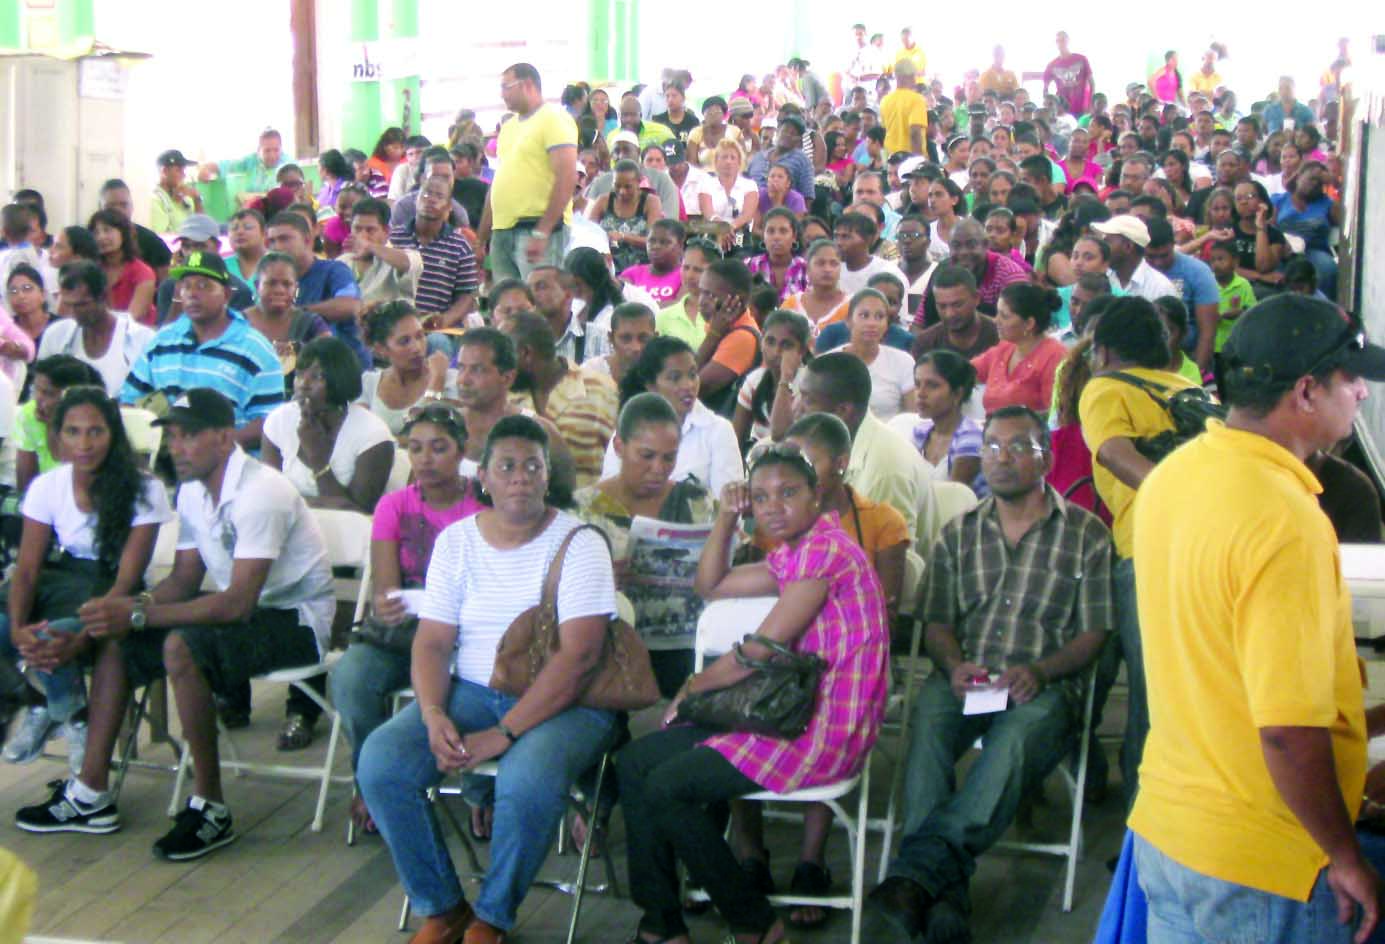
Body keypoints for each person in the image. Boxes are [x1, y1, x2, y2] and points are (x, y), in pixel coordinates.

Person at [1123, 296, 1383, 942]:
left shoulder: (1173, 476)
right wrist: (1345, 855)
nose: (1361, 393)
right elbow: (1287, 732)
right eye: (1350, 378)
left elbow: (1216, 670)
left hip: (1169, 831)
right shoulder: (1285, 517)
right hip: (1263, 863)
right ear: (1305, 391)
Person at [15, 388, 334, 863]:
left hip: (297, 619)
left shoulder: (261, 493)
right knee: (121, 640)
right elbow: (184, 579)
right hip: (243, 610)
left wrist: (138, 613)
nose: (175, 447)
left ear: (225, 438)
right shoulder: (191, 490)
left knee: (181, 645)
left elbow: (238, 604)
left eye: (189, 436)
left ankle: (210, 807)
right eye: (172, 437)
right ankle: (91, 792)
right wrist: (117, 614)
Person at [358, 414, 620, 944]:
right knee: (382, 762)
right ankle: (442, 907)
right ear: (484, 478)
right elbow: (433, 641)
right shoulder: (457, 541)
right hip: (473, 692)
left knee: (525, 779)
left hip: (568, 703)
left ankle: (493, 917)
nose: (520, 477)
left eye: (532, 466)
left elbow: (580, 657)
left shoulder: (579, 542)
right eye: (506, 466)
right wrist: (433, 713)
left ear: (548, 476)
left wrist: (503, 733)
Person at [618, 438, 889, 944]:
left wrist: (692, 687)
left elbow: (761, 650)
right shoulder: (796, 553)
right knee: (634, 764)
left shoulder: (826, 550)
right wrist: (726, 518)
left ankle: (755, 923)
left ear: (816, 495)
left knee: (667, 787)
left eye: (788, 493)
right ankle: (661, 924)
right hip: (784, 710)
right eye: (760, 497)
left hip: (821, 727)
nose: (773, 507)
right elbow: (711, 585)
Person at [864, 404, 1113, 943]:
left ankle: (915, 874)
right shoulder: (958, 534)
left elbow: (1094, 634)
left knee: (1014, 740)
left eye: (1019, 446)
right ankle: (942, 898)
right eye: (992, 446)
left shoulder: (1086, 535)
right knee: (930, 721)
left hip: (1043, 686)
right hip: (968, 679)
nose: (1001, 458)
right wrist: (954, 665)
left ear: (1045, 458)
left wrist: (1040, 671)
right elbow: (936, 623)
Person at [330, 404, 485, 835]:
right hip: (404, 631)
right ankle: (371, 779)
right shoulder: (394, 506)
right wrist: (385, 604)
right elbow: (386, 589)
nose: (425, 459)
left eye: (438, 448)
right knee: (350, 679)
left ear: (461, 451)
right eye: (415, 449)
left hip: (466, 632)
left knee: (480, 681)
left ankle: (482, 788)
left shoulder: (481, 504)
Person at [0, 389, 172, 770]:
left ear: (113, 434)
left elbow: (126, 579)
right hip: (61, 578)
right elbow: (26, 571)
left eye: (95, 431)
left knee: (55, 634)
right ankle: (36, 702)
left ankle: (75, 718)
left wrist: (82, 638)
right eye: (73, 432)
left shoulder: (145, 489)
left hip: (112, 586)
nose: (84, 444)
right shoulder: (47, 486)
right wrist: (18, 630)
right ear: (58, 437)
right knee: (5, 627)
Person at [1077, 297, 1199, 809]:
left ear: (1103, 351)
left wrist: (1168, 496)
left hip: (1149, 555)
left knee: (1151, 701)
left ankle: (1141, 828)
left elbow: (1113, 453)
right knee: (1179, 696)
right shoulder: (1188, 389)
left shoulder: (1104, 388)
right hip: (1200, 553)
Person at [576, 392, 717, 696]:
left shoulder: (697, 503)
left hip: (684, 646)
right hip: (609, 646)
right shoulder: (583, 511)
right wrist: (599, 581)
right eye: (647, 455)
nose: (658, 469)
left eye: (669, 457)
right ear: (619, 446)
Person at [119, 252, 283, 451]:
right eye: (186, 286)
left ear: (226, 294)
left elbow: (269, 422)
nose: (193, 294)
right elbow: (129, 402)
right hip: (167, 459)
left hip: (230, 461)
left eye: (204, 286)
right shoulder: (162, 342)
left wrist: (209, 448)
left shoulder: (256, 350)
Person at [793, 351, 939, 550]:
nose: (797, 408)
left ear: (842, 411)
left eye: (807, 400)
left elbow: (891, 560)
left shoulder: (885, 470)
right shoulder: (830, 445)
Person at [262, 336, 394, 514]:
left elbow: (357, 513)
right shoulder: (279, 421)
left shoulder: (373, 435)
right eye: (299, 374)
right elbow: (270, 496)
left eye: (317, 377)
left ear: (340, 379)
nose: (303, 384)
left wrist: (318, 458)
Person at [604, 334, 742, 495]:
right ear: (651, 386)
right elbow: (609, 494)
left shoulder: (718, 431)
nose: (688, 385)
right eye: (675, 378)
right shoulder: (629, 428)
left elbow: (728, 503)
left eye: (692, 375)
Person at [479, 63, 579, 281]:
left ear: (527, 84)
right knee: (507, 299)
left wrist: (543, 231)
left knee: (541, 296)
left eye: (506, 87)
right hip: (502, 230)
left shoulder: (554, 118)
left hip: (537, 227)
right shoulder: (508, 128)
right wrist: (481, 238)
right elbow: (498, 183)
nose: (502, 94)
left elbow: (567, 176)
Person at [501, 311, 617, 489]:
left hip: (586, 503)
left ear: (526, 354)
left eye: (503, 357)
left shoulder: (601, 391)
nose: (499, 366)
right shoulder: (504, 396)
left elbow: (619, 462)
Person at [265, 211, 369, 369]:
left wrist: (296, 315)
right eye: (272, 241)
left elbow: (351, 306)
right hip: (299, 372)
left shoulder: (334, 270)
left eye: (284, 239)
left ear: (307, 240)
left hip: (345, 371)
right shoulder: (270, 281)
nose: (277, 247)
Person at [388, 173, 481, 348]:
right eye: (426, 193)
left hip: (434, 328)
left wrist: (445, 320)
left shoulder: (460, 245)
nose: (430, 199)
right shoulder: (394, 237)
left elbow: (467, 295)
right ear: (415, 200)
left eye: (439, 196)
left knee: (437, 343)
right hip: (395, 325)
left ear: (449, 207)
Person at [36, 262, 153, 398]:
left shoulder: (143, 340)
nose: (74, 312)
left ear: (103, 297)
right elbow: (40, 387)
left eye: (81, 305)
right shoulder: (55, 335)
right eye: (68, 305)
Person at [890, 350, 985, 495]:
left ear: (957, 394)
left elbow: (954, 497)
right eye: (917, 384)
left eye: (932, 385)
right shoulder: (920, 433)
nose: (921, 393)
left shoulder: (971, 437)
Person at [357, 301, 458, 437]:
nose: (416, 348)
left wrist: (437, 381)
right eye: (404, 341)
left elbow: (430, 438)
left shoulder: (450, 380)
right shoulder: (369, 384)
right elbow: (360, 438)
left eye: (420, 336)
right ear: (380, 349)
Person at [910, 219, 1027, 330]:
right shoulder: (943, 270)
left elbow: (1018, 326)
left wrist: (968, 313)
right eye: (956, 245)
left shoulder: (1009, 273)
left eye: (971, 245)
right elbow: (918, 324)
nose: (963, 252)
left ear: (986, 244)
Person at [971, 282, 1066, 415]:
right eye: (997, 313)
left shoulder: (1055, 356)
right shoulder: (1005, 347)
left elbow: (1055, 414)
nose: (996, 320)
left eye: (1004, 316)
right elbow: (966, 372)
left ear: (1029, 323)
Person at [12, 356, 103, 494]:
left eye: (48, 393)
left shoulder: (93, 424)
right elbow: (26, 488)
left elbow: (83, 485)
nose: (38, 399)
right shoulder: (29, 414)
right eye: (36, 389)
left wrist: (57, 426)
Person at [242, 252, 333, 386]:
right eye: (271, 283)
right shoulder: (239, 322)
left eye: (287, 284)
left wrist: (298, 349)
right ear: (257, 286)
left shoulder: (310, 323)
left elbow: (331, 358)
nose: (279, 290)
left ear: (296, 288)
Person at [1142, 219, 1220, 370]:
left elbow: (1207, 332)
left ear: (1174, 245)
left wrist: (1197, 373)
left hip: (1188, 356)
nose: (1158, 262)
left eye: (1164, 255)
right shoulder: (1137, 271)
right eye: (1151, 257)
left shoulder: (1198, 272)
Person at [829, 288, 916, 421]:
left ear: (887, 324)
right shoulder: (828, 362)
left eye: (879, 317)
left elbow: (912, 419)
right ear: (848, 321)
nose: (872, 323)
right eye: (864, 315)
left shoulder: (903, 362)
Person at [155, 214, 255, 325]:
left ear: (217, 246)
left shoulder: (238, 290)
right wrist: (177, 300)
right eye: (186, 246)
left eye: (199, 246)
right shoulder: (169, 286)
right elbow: (163, 332)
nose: (192, 252)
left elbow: (238, 331)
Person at [734, 309, 812, 447]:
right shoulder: (755, 380)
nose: (776, 352)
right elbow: (736, 439)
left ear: (802, 351)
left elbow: (781, 435)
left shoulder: (808, 386)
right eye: (770, 341)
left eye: (786, 345)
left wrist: (785, 380)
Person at [1272, 161, 1341, 298]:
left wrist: (1335, 183)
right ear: (1298, 177)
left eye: (1320, 182)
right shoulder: (1279, 200)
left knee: (1329, 269)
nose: (1315, 184)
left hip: (1313, 250)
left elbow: (1346, 221)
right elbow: (1270, 227)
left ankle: (1323, 306)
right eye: (1312, 179)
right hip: (1283, 250)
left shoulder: (1327, 204)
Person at [910, 264, 1000, 363]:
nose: (950, 314)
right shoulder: (925, 344)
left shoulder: (1001, 336)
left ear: (976, 298)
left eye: (958, 305)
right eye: (942, 306)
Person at [587, 159, 663, 274]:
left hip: (640, 267)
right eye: (617, 186)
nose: (622, 191)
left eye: (628, 187)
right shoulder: (603, 201)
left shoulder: (651, 202)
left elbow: (653, 241)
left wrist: (623, 237)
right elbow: (588, 232)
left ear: (639, 182)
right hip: (607, 264)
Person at [88, 209, 155, 327]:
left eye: (107, 230)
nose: (101, 237)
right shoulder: (92, 271)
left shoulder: (143, 272)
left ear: (123, 233)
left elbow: (133, 317)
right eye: (96, 232)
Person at [97, 179, 173, 280]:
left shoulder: (152, 242)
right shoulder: (89, 241)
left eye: (123, 205)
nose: (118, 211)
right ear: (100, 208)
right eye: (111, 206)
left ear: (132, 207)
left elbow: (165, 284)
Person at [1090, 216, 1176, 303]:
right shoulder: (1100, 278)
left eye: (1107, 242)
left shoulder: (1161, 289)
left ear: (1128, 246)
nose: (1103, 248)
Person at [197, 128, 290, 205]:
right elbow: (226, 165)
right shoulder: (251, 161)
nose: (272, 155)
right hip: (254, 211)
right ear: (258, 150)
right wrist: (206, 169)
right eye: (267, 151)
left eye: (276, 150)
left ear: (281, 148)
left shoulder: (289, 165)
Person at [781, 239, 850, 341]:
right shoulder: (792, 304)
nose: (827, 269)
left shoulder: (852, 306)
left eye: (834, 263)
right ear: (808, 269)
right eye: (820, 263)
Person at [698, 142, 758, 254]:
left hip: (740, 233)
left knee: (741, 253)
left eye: (732, 157)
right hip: (713, 231)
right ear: (716, 162)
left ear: (739, 163)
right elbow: (708, 213)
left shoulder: (750, 185)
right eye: (724, 157)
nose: (728, 161)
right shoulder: (706, 183)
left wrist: (729, 228)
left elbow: (747, 215)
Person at [746, 115, 816, 203]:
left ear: (799, 140)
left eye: (793, 134)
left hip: (783, 209)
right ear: (778, 131)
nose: (788, 135)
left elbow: (808, 197)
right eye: (785, 130)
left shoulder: (802, 160)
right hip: (751, 206)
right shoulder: (759, 157)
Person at [621, 218, 684, 306]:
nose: (655, 246)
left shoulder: (686, 275)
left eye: (664, 242)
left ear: (680, 246)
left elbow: (680, 307)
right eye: (651, 241)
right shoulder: (632, 274)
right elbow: (620, 305)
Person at [1209, 239, 1258, 352]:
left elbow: (1253, 312)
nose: (1216, 264)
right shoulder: (1207, 283)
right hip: (1211, 344)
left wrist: (1239, 312)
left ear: (1235, 262)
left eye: (1221, 259)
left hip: (1234, 345)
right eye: (1212, 260)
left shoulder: (1243, 284)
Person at [880, 60, 929, 156]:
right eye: (914, 76)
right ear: (908, 76)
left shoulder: (885, 100)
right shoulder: (917, 99)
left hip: (890, 156)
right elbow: (915, 132)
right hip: (909, 157)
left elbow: (885, 129)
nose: (915, 80)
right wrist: (918, 159)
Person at [148, 150, 202, 234]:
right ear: (165, 171)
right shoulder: (155, 200)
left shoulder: (186, 198)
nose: (184, 175)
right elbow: (159, 236)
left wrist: (197, 199)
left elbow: (203, 229)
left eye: (184, 170)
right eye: (179, 170)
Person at [1043, 32, 1095, 117]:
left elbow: (1092, 83)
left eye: (1063, 40)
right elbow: (1045, 88)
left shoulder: (1081, 59)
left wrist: (1091, 105)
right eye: (1058, 41)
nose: (1061, 43)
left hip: (1082, 107)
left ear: (1068, 41)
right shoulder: (1052, 64)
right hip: (1062, 109)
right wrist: (1048, 107)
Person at [223, 209, 268, 293]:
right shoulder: (222, 266)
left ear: (264, 234)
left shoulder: (278, 263)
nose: (240, 232)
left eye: (248, 227)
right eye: (234, 228)